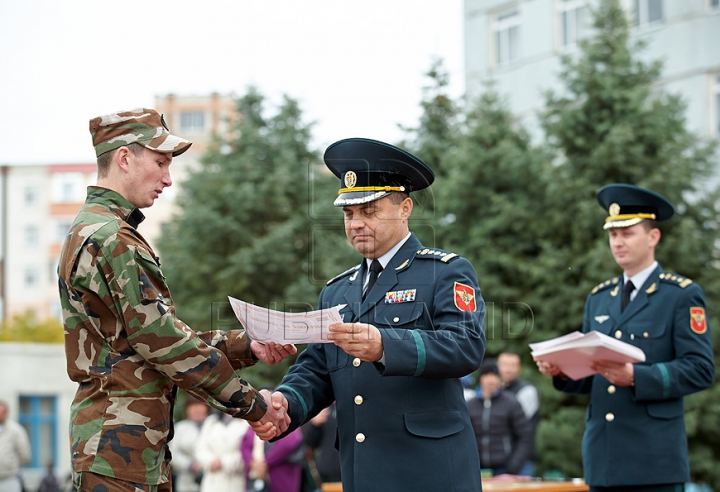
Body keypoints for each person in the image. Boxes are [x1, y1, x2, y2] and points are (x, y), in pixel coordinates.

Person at [57, 108, 296, 492]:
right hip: (119, 455)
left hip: (124, 450)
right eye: (160, 162)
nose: (168, 179)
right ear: (124, 158)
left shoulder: (96, 229)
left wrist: (246, 345)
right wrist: (253, 405)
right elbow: (164, 343)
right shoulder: (113, 239)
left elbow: (151, 337)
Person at [253, 138, 487, 492]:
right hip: (362, 471)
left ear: (405, 208)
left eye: (370, 211)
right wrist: (287, 402)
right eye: (349, 214)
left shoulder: (444, 271)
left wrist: (384, 345)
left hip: (431, 472)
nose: (356, 223)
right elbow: (318, 368)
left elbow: (466, 345)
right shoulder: (337, 290)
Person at [535, 183, 715, 491]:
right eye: (613, 234)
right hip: (603, 460)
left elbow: (700, 369)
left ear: (653, 237)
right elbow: (594, 374)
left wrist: (636, 376)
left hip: (653, 463)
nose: (618, 242)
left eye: (628, 233)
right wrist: (563, 371)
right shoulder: (599, 298)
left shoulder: (680, 295)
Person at [468, 359, 533, 477]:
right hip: (478, 470)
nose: (491, 379)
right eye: (487, 375)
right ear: (481, 378)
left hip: (504, 469)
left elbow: (525, 436)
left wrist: (513, 468)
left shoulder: (511, 403)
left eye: (494, 375)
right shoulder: (470, 405)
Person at [497, 351, 539, 476]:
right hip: (497, 461)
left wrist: (514, 465)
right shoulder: (493, 391)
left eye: (513, 365)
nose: (508, 369)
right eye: (504, 364)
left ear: (519, 368)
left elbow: (520, 427)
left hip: (522, 460)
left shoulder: (527, 391)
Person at [194, 411, 251, 492]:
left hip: (235, 480)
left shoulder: (246, 422)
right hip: (211, 481)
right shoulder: (211, 421)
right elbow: (200, 447)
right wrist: (210, 461)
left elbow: (248, 451)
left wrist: (224, 462)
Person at [241, 428, 305, 492]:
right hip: (255, 477)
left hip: (281, 477)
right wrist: (252, 462)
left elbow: (287, 445)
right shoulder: (256, 424)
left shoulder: (287, 423)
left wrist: (265, 462)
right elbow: (245, 445)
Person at [170, 397, 210, 492]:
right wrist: (190, 465)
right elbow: (173, 453)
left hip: (212, 480)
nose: (196, 409)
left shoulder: (214, 426)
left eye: (200, 405)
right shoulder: (180, 428)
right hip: (187, 482)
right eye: (192, 406)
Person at [302, 403, 341, 485]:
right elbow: (309, 442)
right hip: (327, 471)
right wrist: (314, 425)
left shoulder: (353, 409)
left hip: (351, 469)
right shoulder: (324, 410)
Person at [0, 401, 31, 492]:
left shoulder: (16, 430)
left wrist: (11, 464)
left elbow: (25, 454)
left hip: (9, 478)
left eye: (2, 412)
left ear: (6, 413)